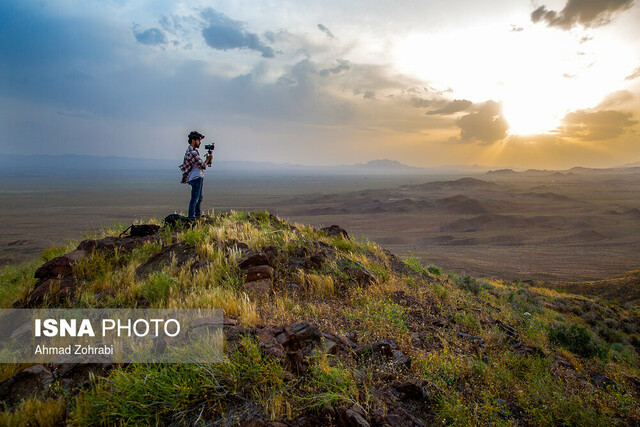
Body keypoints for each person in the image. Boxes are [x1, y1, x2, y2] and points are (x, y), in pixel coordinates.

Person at [179, 131, 213, 219]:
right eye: (198, 140)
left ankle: (197, 216)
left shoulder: (192, 151)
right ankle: (192, 217)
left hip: (197, 177)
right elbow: (202, 165)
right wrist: (207, 160)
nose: (200, 142)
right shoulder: (192, 152)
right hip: (196, 177)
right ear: (193, 140)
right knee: (195, 198)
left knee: (199, 198)